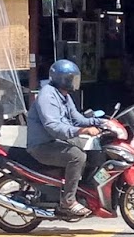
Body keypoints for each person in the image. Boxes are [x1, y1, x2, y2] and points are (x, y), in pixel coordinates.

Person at [25, 59, 104, 219]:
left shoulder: (64, 96)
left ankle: (87, 190)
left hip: (58, 141)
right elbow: (53, 127)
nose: (74, 82)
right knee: (77, 156)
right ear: (62, 79)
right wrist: (83, 130)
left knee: (96, 149)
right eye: (71, 78)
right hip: (43, 145)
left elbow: (77, 118)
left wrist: (101, 122)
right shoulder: (47, 96)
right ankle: (68, 202)